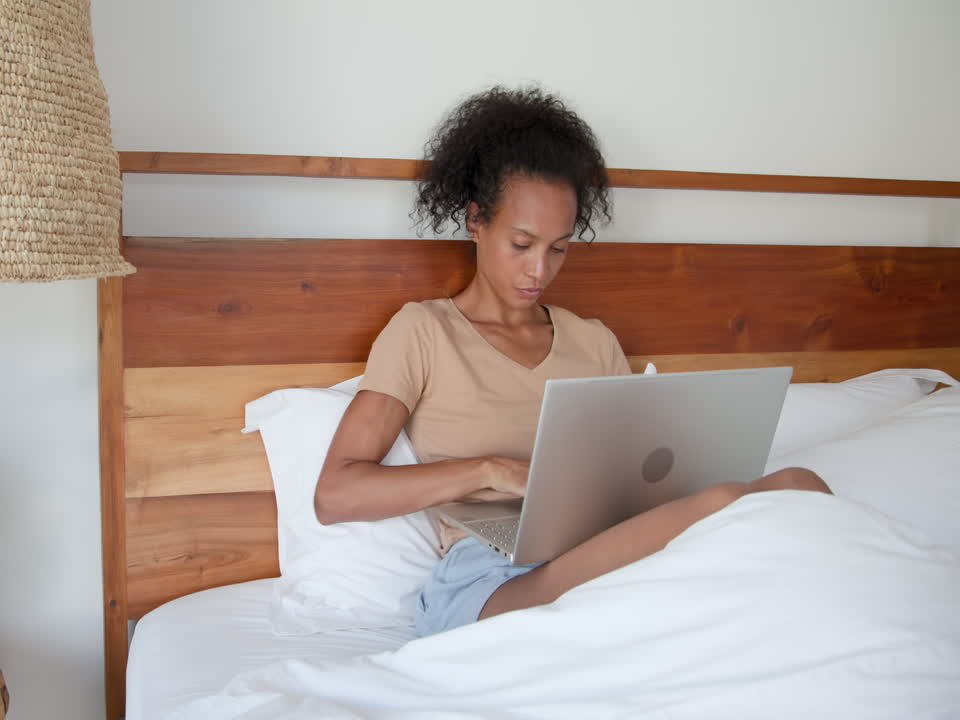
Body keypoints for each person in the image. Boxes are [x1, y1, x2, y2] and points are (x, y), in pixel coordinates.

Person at [313, 86, 832, 637]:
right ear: (475, 221)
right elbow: (336, 495)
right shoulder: (423, 331)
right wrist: (490, 470)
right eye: (522, 243)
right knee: (727, 503)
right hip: (494, 575)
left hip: (603, 546)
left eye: (558, 248)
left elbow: (642, 474)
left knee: (801, 484)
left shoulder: (593, 341)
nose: (539, 269)